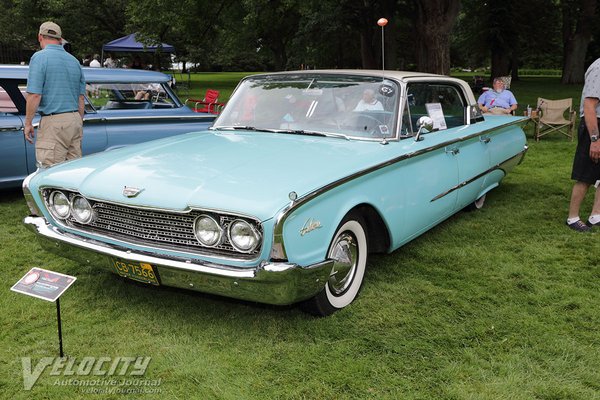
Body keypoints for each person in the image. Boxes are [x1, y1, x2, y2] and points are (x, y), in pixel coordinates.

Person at [24, 21, 86, 168]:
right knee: (73, 171)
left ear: (40, 37)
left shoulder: (39, 57)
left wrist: (28, 123)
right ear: (60, 39)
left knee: (50, 173)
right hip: (75, 119)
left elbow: (35, 95)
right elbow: (81, 98)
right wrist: (78, 121)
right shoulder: (74, 61)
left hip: (54, 122)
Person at [566, 58, 600, 232]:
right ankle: (573, 218)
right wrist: (595, 139)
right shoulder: (599, 68)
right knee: (585, 174)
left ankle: (596, 215)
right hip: (594, 126)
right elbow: (589, 105)